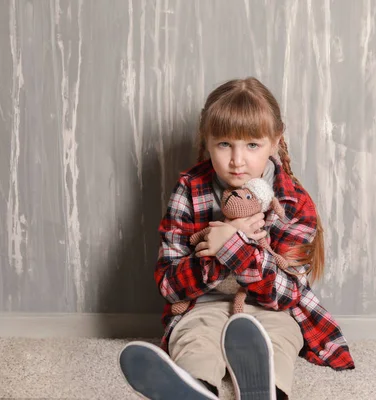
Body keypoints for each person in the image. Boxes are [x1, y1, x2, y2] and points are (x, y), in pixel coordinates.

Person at [118, 77, 355, 400]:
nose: (237, 160)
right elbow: (170, 286)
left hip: (269, 308)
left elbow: (286, 295)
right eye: (225, 144)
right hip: (205, 304)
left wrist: (232, 246)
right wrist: (215, 257)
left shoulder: (292, 201)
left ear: (275, 142)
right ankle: (195, 388)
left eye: (252, 145)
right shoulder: (189, 190)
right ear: (208, 141)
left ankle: (265, 391)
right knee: (195, 337)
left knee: (281, 337)